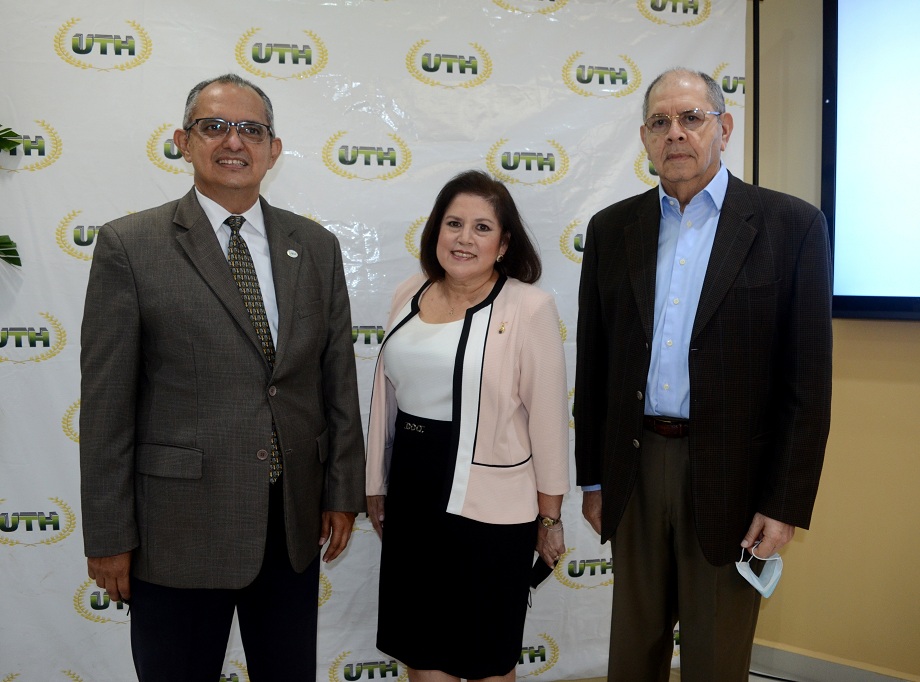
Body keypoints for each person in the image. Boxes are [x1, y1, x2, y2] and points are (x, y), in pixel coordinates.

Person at [79, 73, 366, 681]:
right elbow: (107, 407)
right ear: (183, 142)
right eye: (215, 127)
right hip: (176, 533)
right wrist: (108, 536)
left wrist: (342, 492)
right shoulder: (130, 246)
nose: (234, 141)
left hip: (290, 527)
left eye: (251, 129)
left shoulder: (314, 246)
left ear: (273, 149)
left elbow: (335, 378)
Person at [574, 68, 832, 681]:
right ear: (643, 137)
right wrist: (592, 477)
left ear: (724, 127)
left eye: (691, 118)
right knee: (632, 652)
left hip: (735, 478)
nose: (676, 134)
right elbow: (596, 363)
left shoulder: (790, 227)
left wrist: (785, 501)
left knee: (716, 656)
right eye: (660, 122)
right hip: (634, 469)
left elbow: (808, 385)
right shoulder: (613, 230)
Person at [366, 170, 570, 682]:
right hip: (413, 495)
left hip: (491, 511)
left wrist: (550, 517)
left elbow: (548, 421)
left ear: (503, 244)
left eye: (482, 228)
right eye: (454, 223)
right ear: (436, 231)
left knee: (485, 658)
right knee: (423, 651)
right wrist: (375, 486)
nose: (464, 238)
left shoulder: (529, 307)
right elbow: (385, 396)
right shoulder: (409, 292)